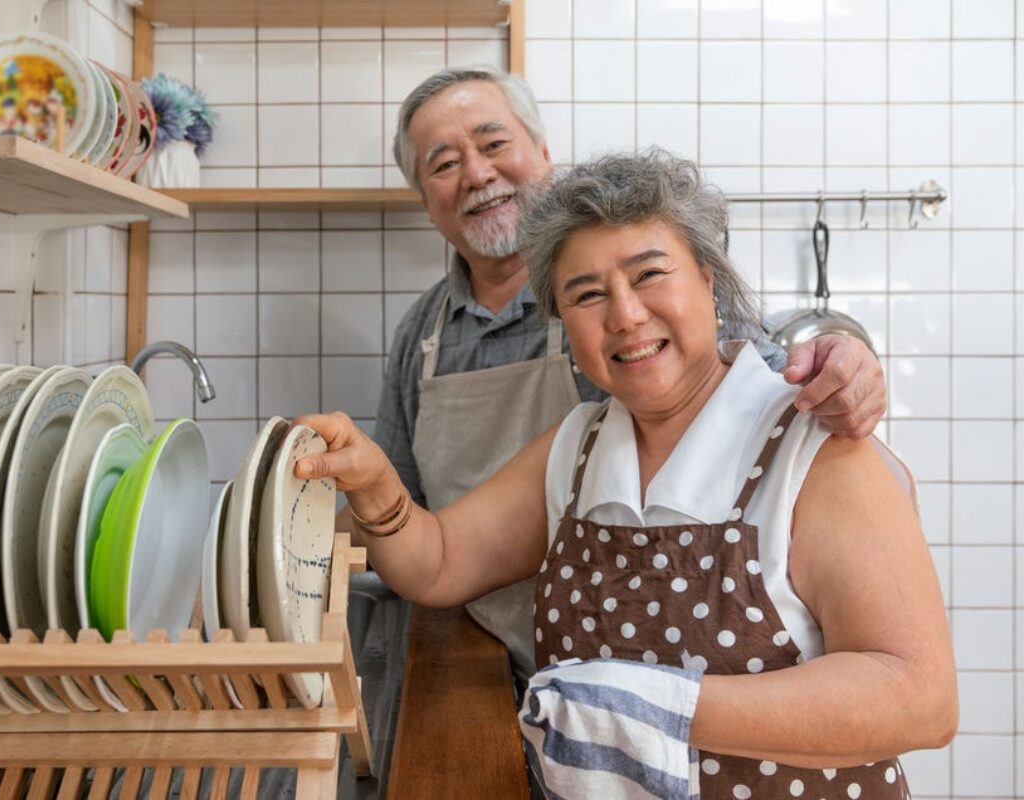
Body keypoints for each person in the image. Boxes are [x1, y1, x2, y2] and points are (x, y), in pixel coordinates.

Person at [300, 150, 955, 798]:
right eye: (586, 295)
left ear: (706, 277)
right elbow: (437, 563)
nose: (625, 315)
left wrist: (650, 708)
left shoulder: (814, 447)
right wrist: (377, 488)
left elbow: (919, 698)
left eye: (648, 275)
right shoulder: (578, 451)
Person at [367, 66, 888, 678]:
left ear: (542, 154)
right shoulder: (422, 334)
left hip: (623, 658)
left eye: (493, 143)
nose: (478, 174)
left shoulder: (643, 311)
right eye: (444, 163)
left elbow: (766, 388)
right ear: (425, 200)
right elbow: (415, 524)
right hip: (477, 659)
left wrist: (844, 368)